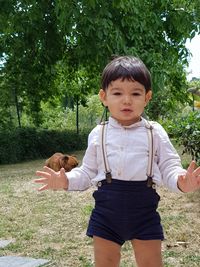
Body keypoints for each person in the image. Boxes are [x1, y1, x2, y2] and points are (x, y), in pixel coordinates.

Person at [34, 56, 200, 267]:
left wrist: (181, 181)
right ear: (104, 96)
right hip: (106, 215)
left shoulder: (154, 132)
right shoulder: (98, 133)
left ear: (147, 97)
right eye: (118, 93)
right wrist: (65, 180)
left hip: (144, 213)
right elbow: (87, 173)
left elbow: (169, 166)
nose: (127, 100)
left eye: (136, 93)